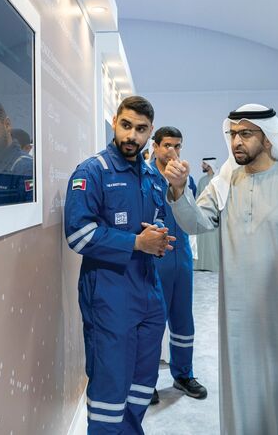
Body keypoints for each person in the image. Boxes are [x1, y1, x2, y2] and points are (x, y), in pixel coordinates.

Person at [163, 103, 278, 435]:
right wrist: (178, 190)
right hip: (238, 316)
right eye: (232, 134)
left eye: (246, 134)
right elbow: (195, 223)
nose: (236, 142)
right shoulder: (225, 184)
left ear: (268, 138)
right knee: (244, 387)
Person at [64, 96, 175, 433]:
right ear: (115, 122)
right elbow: (79, 235)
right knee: (110, 390)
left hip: (149, 294)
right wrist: (136, 243)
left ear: (150, 133)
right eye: (126, 126)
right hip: (109, 296)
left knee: (142, 385)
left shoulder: (153, 178)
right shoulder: (92, 171)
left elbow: (154, 225)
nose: (132, 136)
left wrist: (156, 242)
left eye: (141, 130)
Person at [148, 126, 207, 403]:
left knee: (183, 320)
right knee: (151, 322)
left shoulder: (187, 179)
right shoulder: (142, 176)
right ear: (156, 146)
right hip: (153, 260)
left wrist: (179, 184)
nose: (173, 151)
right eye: (167, 145)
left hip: (180, 256)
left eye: (178, 146)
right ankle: (145, 382)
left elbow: (191, 215)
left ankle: (183, 374)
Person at [194, 157, 220, 272]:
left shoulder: (218, 180)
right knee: (202, 241)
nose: (202, 166)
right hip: (202, 216)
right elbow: (198, 199)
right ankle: (201, 265)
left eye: (203, 164)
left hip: (215, 217)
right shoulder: (202, 180)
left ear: (209, 165)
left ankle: (213, 265)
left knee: (213, 243)